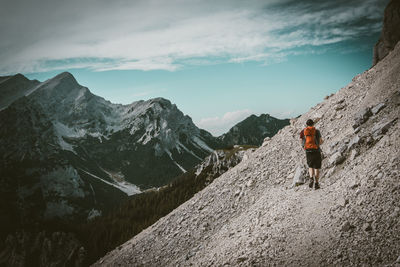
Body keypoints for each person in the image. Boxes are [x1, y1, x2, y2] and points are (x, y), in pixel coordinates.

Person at [300, 119, 323, 189]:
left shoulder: (303, 131)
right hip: (316, 150)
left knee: (310, 166)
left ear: (306, 125)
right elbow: (320, 141)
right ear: (313, 124)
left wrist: (304, 147)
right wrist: (319, 144)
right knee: (316, 167)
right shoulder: (316, 131)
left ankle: (311, 178)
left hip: (308, 151)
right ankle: (316, 183)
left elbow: (301, 142)